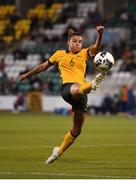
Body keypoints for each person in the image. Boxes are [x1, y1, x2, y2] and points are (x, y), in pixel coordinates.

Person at [19, 25, 106, 164]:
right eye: (75, 41)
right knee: (76, 88)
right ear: (68, 42)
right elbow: (43, 66)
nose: (77, 44)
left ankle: (58, 152)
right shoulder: (59, 54)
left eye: (80, 42)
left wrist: (100, 35)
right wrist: (28, 75)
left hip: (82, 94)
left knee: (77, 130)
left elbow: (96, 48)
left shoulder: (84, 53)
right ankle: (93, 84)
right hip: (67, 88)